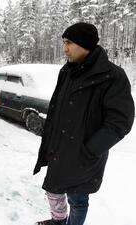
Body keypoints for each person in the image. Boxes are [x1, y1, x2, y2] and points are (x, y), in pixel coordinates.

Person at [34, 22, 135, 225]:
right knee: (53, 188)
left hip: (84, 154)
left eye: (69, 42)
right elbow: (58, 107)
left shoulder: (112, 76)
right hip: (60, 147)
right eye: (63, 42)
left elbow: (120, 121)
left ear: (85, 44)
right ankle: (59, 221)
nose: (64, 48)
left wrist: (90, 149)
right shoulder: (67, 71)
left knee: (78, 198)